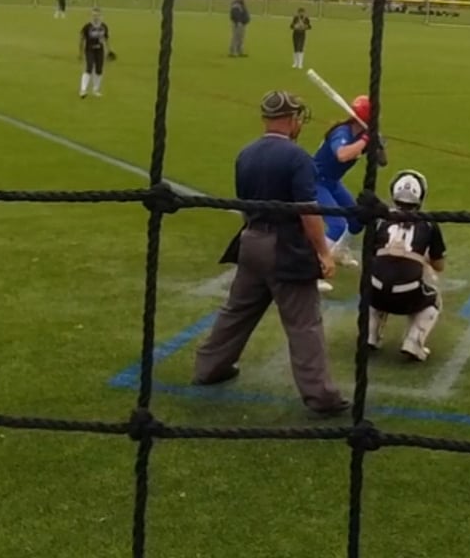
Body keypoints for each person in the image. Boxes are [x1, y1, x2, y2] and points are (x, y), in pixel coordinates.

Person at [191, 90, 349, 417]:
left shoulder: (246, 154)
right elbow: (308, 211)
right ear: (292, 119)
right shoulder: (297, 157)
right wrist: (323, 253)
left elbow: (243, 205)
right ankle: (321, 396)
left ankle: (209, 367)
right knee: (304, 323)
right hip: (285, 248)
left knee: (237, 311)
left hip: (250, 241)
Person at [364, 169, 446, 363]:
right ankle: (413, 342)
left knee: (374, 279)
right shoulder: (428, 223)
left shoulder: (379, 219)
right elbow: (439, 265)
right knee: (434, 298)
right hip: (407, 295)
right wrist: (420, 258)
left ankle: (370, 334)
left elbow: (369, 254)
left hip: (376, 291)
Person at [311, 95, 383, 289]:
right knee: (337, 225)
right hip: (316, 181)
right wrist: (367, 139)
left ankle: (339, 251)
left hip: (332, 182)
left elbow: (382, 161)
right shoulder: (342, 132)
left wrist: (377, 143)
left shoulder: (363, 135)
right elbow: (342, 155)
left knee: (357, 220)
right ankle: (313, 271)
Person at [79, 7, 114, 98]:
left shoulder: (104, 27)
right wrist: (80, 53)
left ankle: (95, 89)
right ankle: (83, 90)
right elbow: (81, 40)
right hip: (89, 50)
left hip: (100, 50)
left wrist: (109, 50)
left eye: (97, 15)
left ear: (100, 16)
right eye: (94, 15)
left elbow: (106, 39)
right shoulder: (87, 27)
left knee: (99, 70)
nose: (95, 17)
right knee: (89, 68)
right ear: (91, 16)